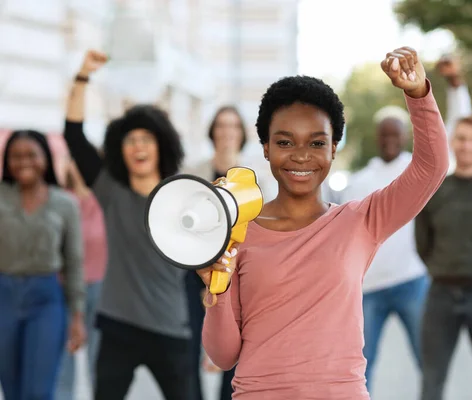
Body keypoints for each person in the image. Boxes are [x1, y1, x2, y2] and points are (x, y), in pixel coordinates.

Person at [199, 46, 449, 399]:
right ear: (266, 147)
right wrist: (217, 290)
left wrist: (418, 94)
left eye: (316, 143)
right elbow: (223, 356)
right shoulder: (238, 233)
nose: (301, 155)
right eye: (285, 142)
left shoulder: (361, 221)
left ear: (333, 148)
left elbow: (431, 168)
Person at [63, 50, 192, 400]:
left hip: (170, 324)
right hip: (118, 323)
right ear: (120, 149)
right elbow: (73, 135)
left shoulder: (183, 194)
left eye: (145, 139)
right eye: (130, 140)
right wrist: (83, 76)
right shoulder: (109, 190)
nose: (138, 147)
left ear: (160, 146)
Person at [415, 116, 472, 400]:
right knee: (432, 381)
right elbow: (422, 241)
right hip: (441, 294)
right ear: (452, 142)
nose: (467, 146)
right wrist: (441, 267)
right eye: (462, 138)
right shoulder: (435, 189)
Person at [339, 109, 429, 393]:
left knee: (427, 360)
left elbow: (446, 140)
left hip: (411, 281)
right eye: (384, 134)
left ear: (405, 135)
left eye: (395, 133)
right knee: (361, 366)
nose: (390, 139)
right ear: (377, 138)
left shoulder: (418, 170)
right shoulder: (360, 181)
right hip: (370, 287)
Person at [0, 130, 86, 399]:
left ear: (45, 159)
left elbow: (73, 262)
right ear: (7, 161)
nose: (24, 161)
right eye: (16, 156)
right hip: (4, 297)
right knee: (11, 389)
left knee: (38, 391)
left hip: (46, 300)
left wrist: (77, 316)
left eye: (31, 155)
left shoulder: (65, 204)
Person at [184, 105, 249, 400]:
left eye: (233, 126)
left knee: (234, 350)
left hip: (239, 277)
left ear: (242, 133)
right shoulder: (193, 173)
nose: (227, 132)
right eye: (221, 126)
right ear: (212, 132)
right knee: (190, 347)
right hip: (195, 273)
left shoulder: (253, 178)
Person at [56, 159, 108, 399]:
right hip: (64, 286)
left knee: (98, 357)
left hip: (98, 284)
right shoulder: (59, 200)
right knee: (64, 355)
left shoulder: (102, 199)